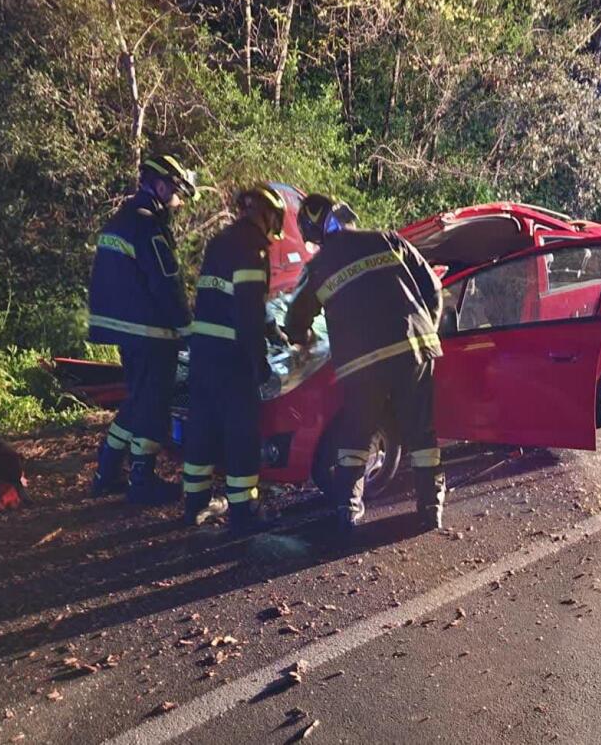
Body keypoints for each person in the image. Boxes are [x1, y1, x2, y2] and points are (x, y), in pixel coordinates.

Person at [284, 194, 447, 535]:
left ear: (315, 234)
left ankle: (348, 508)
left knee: (356, 436)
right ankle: (430, 509)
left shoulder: (318, 267)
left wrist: (301, 339)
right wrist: (427, 330)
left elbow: (296, 319)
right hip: (413, 350)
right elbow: (432, 286)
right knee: (421, 434)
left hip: (361, 366)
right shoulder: (387, 239)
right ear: (344, 215)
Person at [87, 155, 195, 504]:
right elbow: (167, 285)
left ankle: (106, 470)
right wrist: (187, 328)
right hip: (152, 334)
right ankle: (142, 481)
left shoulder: (120, 221)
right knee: (153, 405)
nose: (175, 201)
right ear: (160, 184)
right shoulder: (149, 227)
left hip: (125, 333)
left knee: (135, 402)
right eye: (174, 191)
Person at [182, 184, 286, 535]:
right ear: (269, 215)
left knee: (203, 428)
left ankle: (193, 503)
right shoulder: (254, 249)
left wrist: (272, 329)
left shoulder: (220, 242)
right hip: (232, 357)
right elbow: (248, 310)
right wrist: (260, 362)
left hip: (203, 353)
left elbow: (231, 299)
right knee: (241, 433)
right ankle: (243, 511)